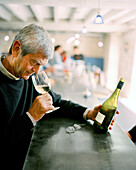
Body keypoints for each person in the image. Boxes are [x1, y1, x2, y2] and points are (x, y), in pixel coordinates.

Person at [0, 24, 115, 169]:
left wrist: (88, 113)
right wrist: (31, 116)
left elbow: (57, 102)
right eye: (34, 63)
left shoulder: (29, 78)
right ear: (17, 49)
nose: (36, 71)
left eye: (41, 65)